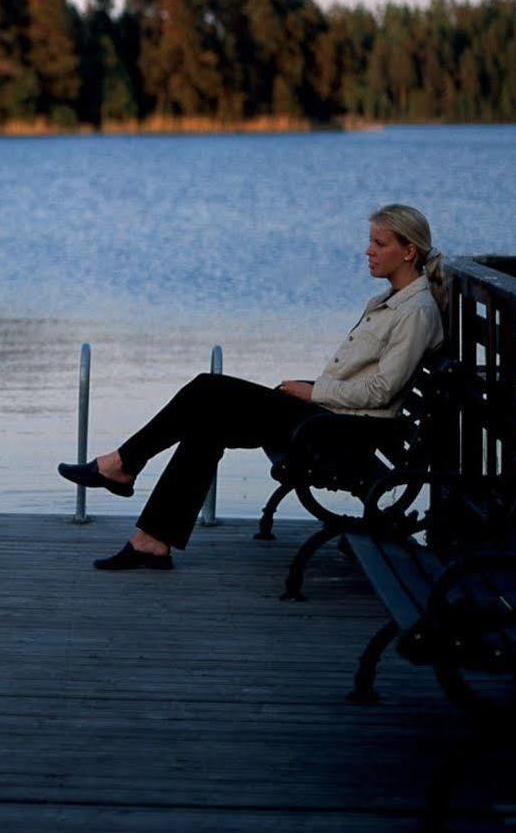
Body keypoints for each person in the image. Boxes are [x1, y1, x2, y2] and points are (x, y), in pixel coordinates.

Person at [58, 203, 447, 571]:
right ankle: (151, 541)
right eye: (370, 242)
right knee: (206, 423)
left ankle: (122, 465)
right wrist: (308, 389)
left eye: (379, 244)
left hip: (344, 427)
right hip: (331, 415)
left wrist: (311, 392)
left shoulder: (415, 311)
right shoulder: (389, 300)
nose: (368, 251)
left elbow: (381, 391)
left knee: (208, 389)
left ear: (409, 251)